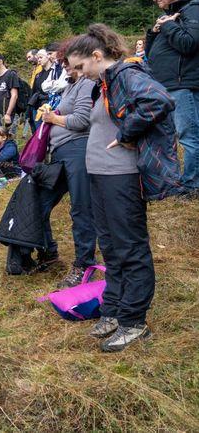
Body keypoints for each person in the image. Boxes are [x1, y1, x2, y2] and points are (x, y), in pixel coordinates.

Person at [66, 23, 181, 352]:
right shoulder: (102, 83)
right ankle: (114, 308)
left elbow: (160, 100)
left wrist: (128, 132)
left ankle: (134, 321)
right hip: (100, 174)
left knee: (130, 247)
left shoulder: (127, 74)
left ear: (97, 56)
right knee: (111, 247)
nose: (77, 74)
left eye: (80, 66)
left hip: (122, 175)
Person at [39, 56, 97, 287]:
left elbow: (82, 120)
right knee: (40, 202)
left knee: (81, 208)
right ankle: (48, 251)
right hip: (60, 153)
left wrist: (54, 118)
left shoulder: (87, 84)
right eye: (61, 62)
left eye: (66, 61)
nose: (62, 65)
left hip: (78, 150)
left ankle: (84, 264)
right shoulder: (70, 86)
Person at [146, 0, 199, 192]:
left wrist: (167, 26)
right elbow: (150, 54)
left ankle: (191, 185)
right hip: (166, 87)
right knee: (171, 137)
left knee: (189, 136)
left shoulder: (194, 9)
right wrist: (154, 33)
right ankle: (177, 180)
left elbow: (189, 44)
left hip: (182, 85)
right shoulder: (172, 16)